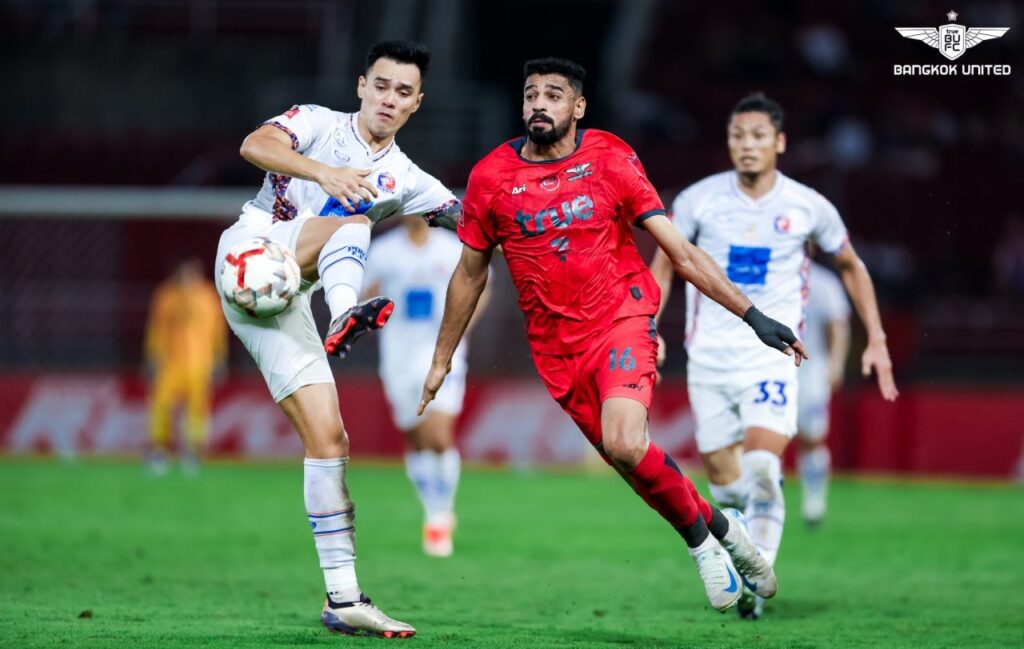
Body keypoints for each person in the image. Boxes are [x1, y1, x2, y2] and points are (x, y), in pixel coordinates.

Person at [420, 58, 799, 614]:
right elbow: (470, 273)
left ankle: (700, 545)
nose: (539, 105)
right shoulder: (490, 177)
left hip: (622, 318)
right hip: (555, 349)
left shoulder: (610, 157)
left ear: (578, 107)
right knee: (631, 460)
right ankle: (725, 528)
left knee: (624, 442)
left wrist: (752, 315)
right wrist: (442, 358)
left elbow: (680, 251)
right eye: (530, 95)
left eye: (553, 95)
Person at [214, 40, 460, 638]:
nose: (388, 98)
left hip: (284, 299)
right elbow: (255, 145)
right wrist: (325, 171)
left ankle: (343, 598)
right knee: (353, 216)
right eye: (380, 85)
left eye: (403, 92)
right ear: (361, 85)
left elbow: (470, 220)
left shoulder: (407, 177)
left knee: (330, 439)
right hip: (251, 254)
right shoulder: (316, 122)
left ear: (416, 104)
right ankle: (346, 313)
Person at [650, 92, 898, 619]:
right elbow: (668, 261)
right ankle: (743, 545)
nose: (747, 146)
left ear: (780, 142)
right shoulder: (698, 200)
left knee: (763, 465)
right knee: (725, 481)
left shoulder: (807, 205)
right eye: (738, 136)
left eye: (759, 136)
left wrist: (875, 336)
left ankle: (755, 570)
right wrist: (647, 322)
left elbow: (851, 265)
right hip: (710, 357)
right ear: (729, 142)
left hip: (772, 354)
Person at [362, 215, 490, 557]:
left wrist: (459, 331)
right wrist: (369, 304)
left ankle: (439, 515)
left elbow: (482, 286)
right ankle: (432, 508)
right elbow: (362, 298)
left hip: (442, 355)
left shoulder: (451, 250)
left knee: (438, 436)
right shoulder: (383, 251)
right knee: (416, 438)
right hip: (397, 358)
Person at [144, 258, 227, 475]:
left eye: (194, 272)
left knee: (197, 409)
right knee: (161, 406)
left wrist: (219, 358)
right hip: (170, 363)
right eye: (186, 272)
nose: (190, 277)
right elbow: (157, 329)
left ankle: (192, 453)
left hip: (201, 363)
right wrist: (152, 357)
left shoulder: (208, 296)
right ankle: (159, 451)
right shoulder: (166, 295)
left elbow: (218, 331)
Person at [795, 260, 851, 528]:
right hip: (770, 367)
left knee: (812, 437)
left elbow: (838, 325)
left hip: (811, 370)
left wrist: (836, 363)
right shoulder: (769, 273)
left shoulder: (824, 281)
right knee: (763, 438)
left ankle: (814, 499)